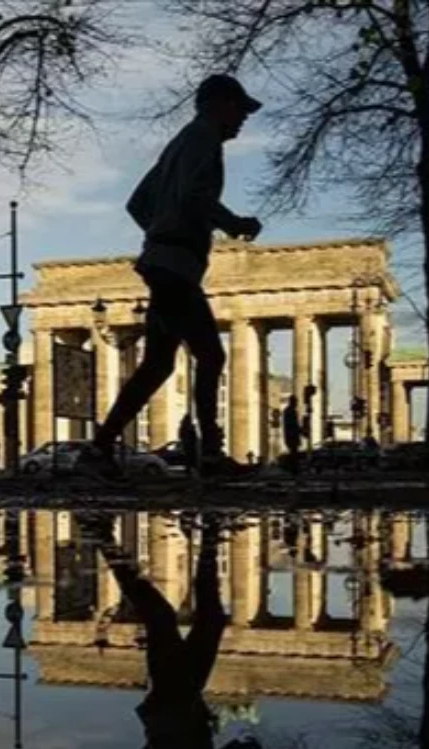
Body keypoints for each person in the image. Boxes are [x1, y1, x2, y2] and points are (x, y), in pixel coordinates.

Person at [79, 74, 265, 480]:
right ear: (218, 104)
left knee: (158, 365)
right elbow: (196, 196)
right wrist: (232, 223)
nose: (243, 120)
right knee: (212, 356)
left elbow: (137, 203)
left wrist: (159, 230)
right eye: (240, 109)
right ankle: (212, 456)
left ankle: (98, 447)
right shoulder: (203, 138)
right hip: (176, 266)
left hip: (162, 262)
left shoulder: (177, 144)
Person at [80, 512, 263, 749]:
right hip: (172, 710)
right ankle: (111, 538)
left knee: (199, 619)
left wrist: (174, 736)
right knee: (171, 617)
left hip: (176, 708)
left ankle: (206, 539)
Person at [281, 396, 302, 472]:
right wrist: (300, 430)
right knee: (294, 453)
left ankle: (292, 467)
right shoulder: (290, 411)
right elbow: (293, 425)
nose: (296, 403)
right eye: (296, 402)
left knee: (293, 452)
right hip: (292, 436)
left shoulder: (288, 411)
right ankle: (292, 467)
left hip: (290, 436)